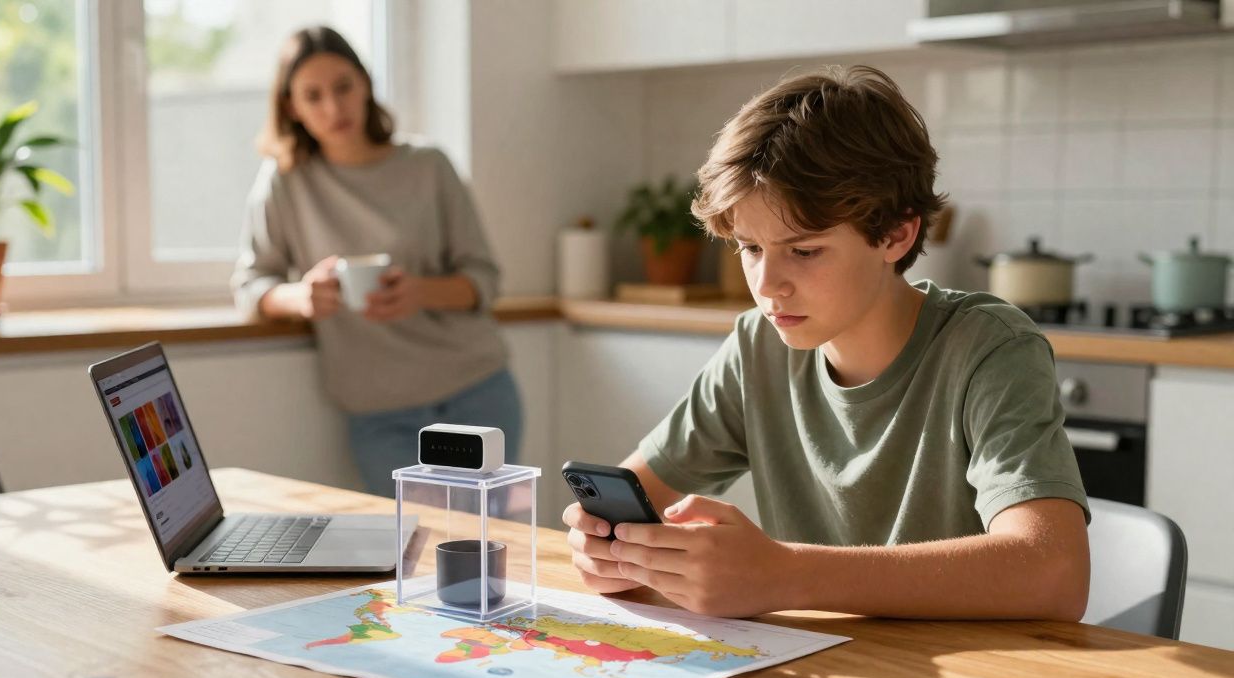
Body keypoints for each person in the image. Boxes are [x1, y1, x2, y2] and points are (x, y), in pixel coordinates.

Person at [563, 65, 1091, 621]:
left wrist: (785, 575)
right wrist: (606, 546)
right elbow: (628, 498)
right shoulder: (756, 349)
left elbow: (1053, 572)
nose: (767, 287)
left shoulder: (989, 348)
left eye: (804, 251)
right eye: (749, 248)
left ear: (896, 234)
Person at [232, 26, 522, 496]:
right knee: (416, 553)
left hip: (477, 392)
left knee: (490, 552)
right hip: (380, 412)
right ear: (291, 107)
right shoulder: (285, 182)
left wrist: (420, 292)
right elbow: (249, 285)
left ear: (365, 84)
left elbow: (484, 278)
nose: (333, 107)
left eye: (343, 86)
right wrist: (301, 298)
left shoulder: (428, 165)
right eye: (313, 95)